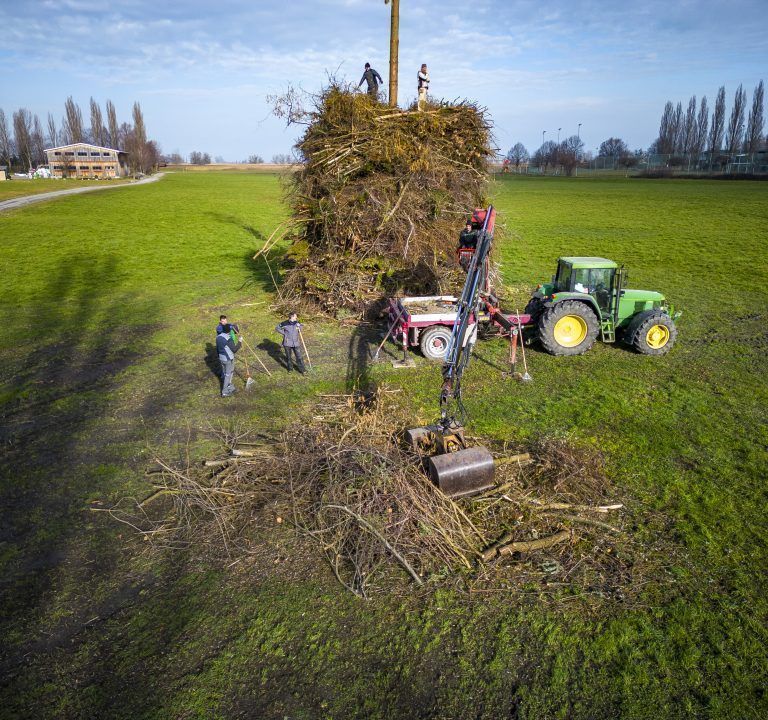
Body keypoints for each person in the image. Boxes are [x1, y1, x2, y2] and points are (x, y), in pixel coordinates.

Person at [216, 323, 242, 397]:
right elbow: (234, 349)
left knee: (225, 373)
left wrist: (218, 356)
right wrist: (240, 341)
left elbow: (217, 349)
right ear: (229, 330)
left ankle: (228, 386)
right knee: (228, 374)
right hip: (228, 359)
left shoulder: (218, 337)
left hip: (221, 358)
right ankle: (224, 392)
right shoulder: (229, 339)